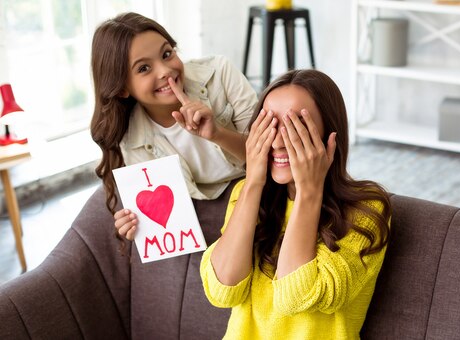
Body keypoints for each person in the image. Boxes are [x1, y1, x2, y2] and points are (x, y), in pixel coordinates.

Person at [200, 69, 392, 339]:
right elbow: (222, 290)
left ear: (329, 134)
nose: (277, 141)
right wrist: (254, 181)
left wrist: (309, 191)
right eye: (269, 125)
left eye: (294, 127)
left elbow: (296, 296)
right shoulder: (246, 195)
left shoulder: (367, 210)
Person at [89, 12, 257, 239]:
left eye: (167, 54)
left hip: (257, 183)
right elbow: (169, 215)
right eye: (143, 68)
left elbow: (266, 154)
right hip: (210, 211)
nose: (166, 71)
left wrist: (217, 134)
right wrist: (135, 224)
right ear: (121, 88)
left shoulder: (220, 73)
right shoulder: (132, 141)